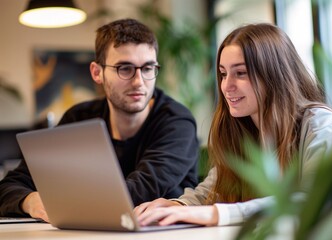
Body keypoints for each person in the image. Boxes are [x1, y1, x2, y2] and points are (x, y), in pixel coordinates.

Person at [134, 23, 332, 227]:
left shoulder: (321, 125)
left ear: (274, 75)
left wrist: (217, 214)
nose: (226, 86)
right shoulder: (242, 130)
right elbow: (212, 191)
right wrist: (179, 206)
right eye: (223, 74)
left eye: (240, 73)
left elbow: (315, 199)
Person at [0, 18, 199, 222]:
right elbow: (8, 186)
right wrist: (32, 201)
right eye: (125, 68)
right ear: (97, 72)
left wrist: (63, 201)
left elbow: (137, 192)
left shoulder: (176, 122)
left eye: (148, 68)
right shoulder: (79, 119)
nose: (139, 82)